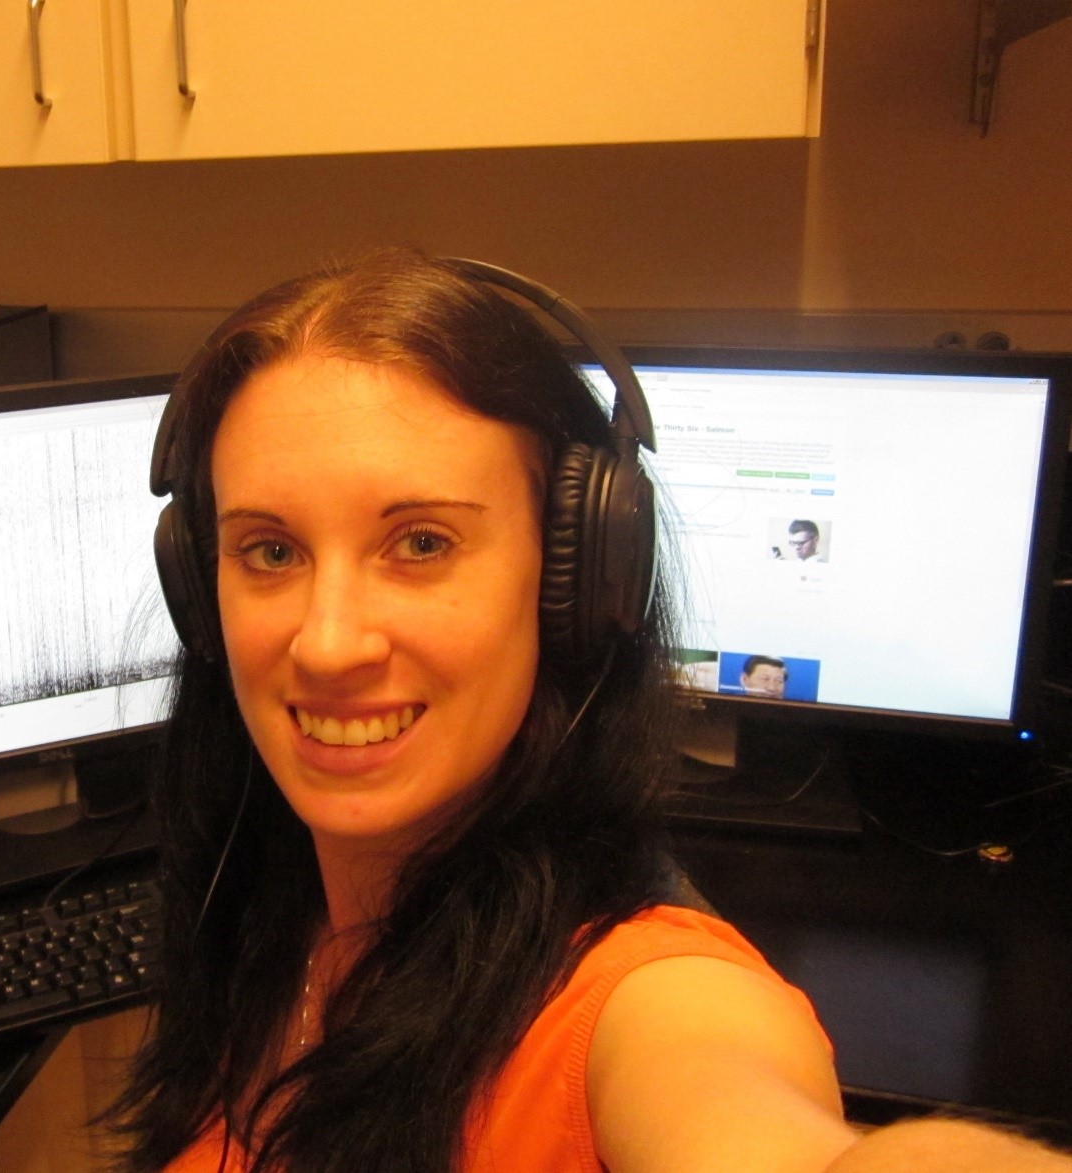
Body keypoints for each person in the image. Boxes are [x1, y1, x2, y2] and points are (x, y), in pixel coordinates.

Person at [106, 250, 1071, 1173]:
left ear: (575, 574)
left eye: (422, 541)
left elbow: (737, 1117)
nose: (327, 642)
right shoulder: (260, 902)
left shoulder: (640, 1006)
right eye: (270, 551)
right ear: (200, 583)